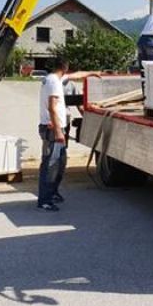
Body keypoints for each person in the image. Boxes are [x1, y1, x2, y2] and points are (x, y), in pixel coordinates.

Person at [37, 58, 98, 211]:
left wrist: (93, 73)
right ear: (65, 68)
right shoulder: (54, 83)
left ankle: (53, 193)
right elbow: (52, 107)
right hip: (52, 129)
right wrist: (58, 130)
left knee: (60, 162)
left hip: (56, 128)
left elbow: (75, 75)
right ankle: (44, 200)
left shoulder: (54, 78)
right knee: (51, 165)